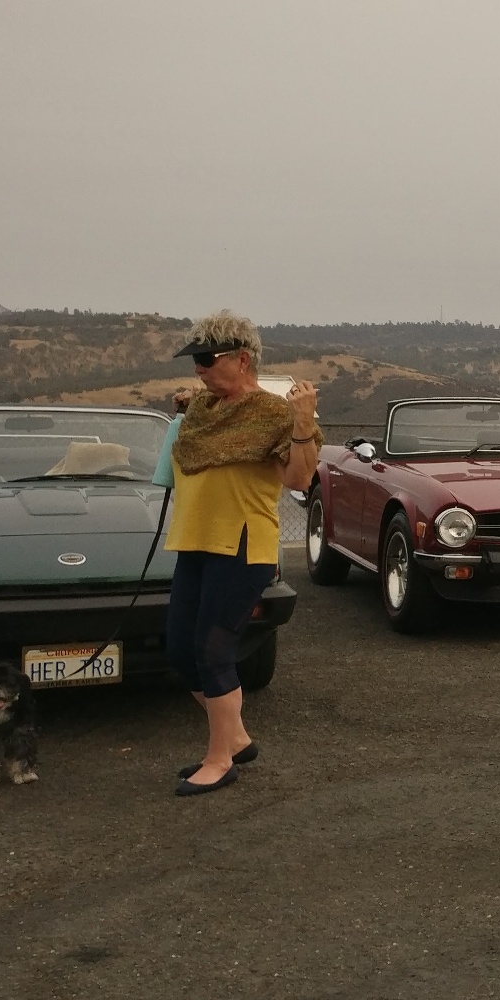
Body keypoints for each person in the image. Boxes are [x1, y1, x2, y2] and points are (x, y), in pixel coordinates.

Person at [165, 313, 319, 795]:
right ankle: (236, 739)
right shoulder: (203, 410)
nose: (199, 368)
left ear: (242, 359)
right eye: (194, 360)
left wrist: (303, 421)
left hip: (242, 545)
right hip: (193, 541)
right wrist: (188, 404)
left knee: (214, 652)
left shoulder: (273, 413)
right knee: (180, 651)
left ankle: (220, 760)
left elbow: (299, 479)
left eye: (207, 359)